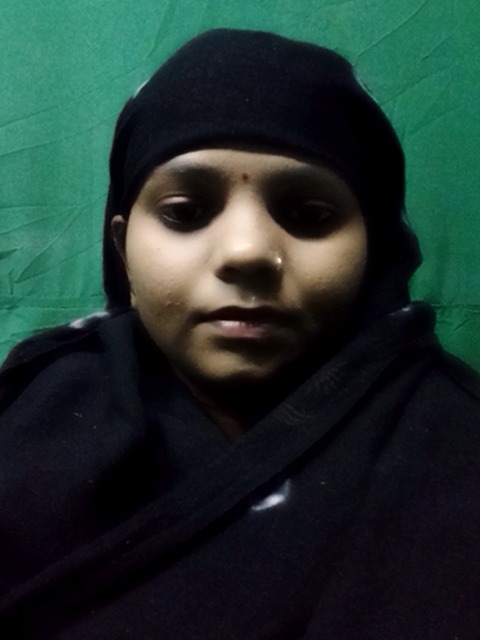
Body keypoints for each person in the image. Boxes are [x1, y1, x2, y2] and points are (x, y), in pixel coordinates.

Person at [0, 28, 479, 640]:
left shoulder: (460, 450)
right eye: (184, 213)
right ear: (122, 249)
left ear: (375, 248)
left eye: (308, 216)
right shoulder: (22, 421)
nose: (247, 252)